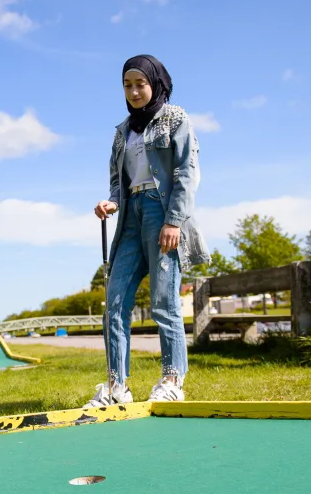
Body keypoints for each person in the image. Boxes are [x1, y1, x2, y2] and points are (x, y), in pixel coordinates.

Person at [85, 55, 211, 408]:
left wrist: (174, 220)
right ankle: (116, 386)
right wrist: (111, 202)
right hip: (129, 217)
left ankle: (172, 379)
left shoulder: (175, 119)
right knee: (114, 302)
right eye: (127, 85)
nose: (134, 91)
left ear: (156, 83)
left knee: (163, 301)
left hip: (161, 211)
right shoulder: (122, 131)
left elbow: (187, 173)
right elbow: (118, 181)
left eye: (140, 83)